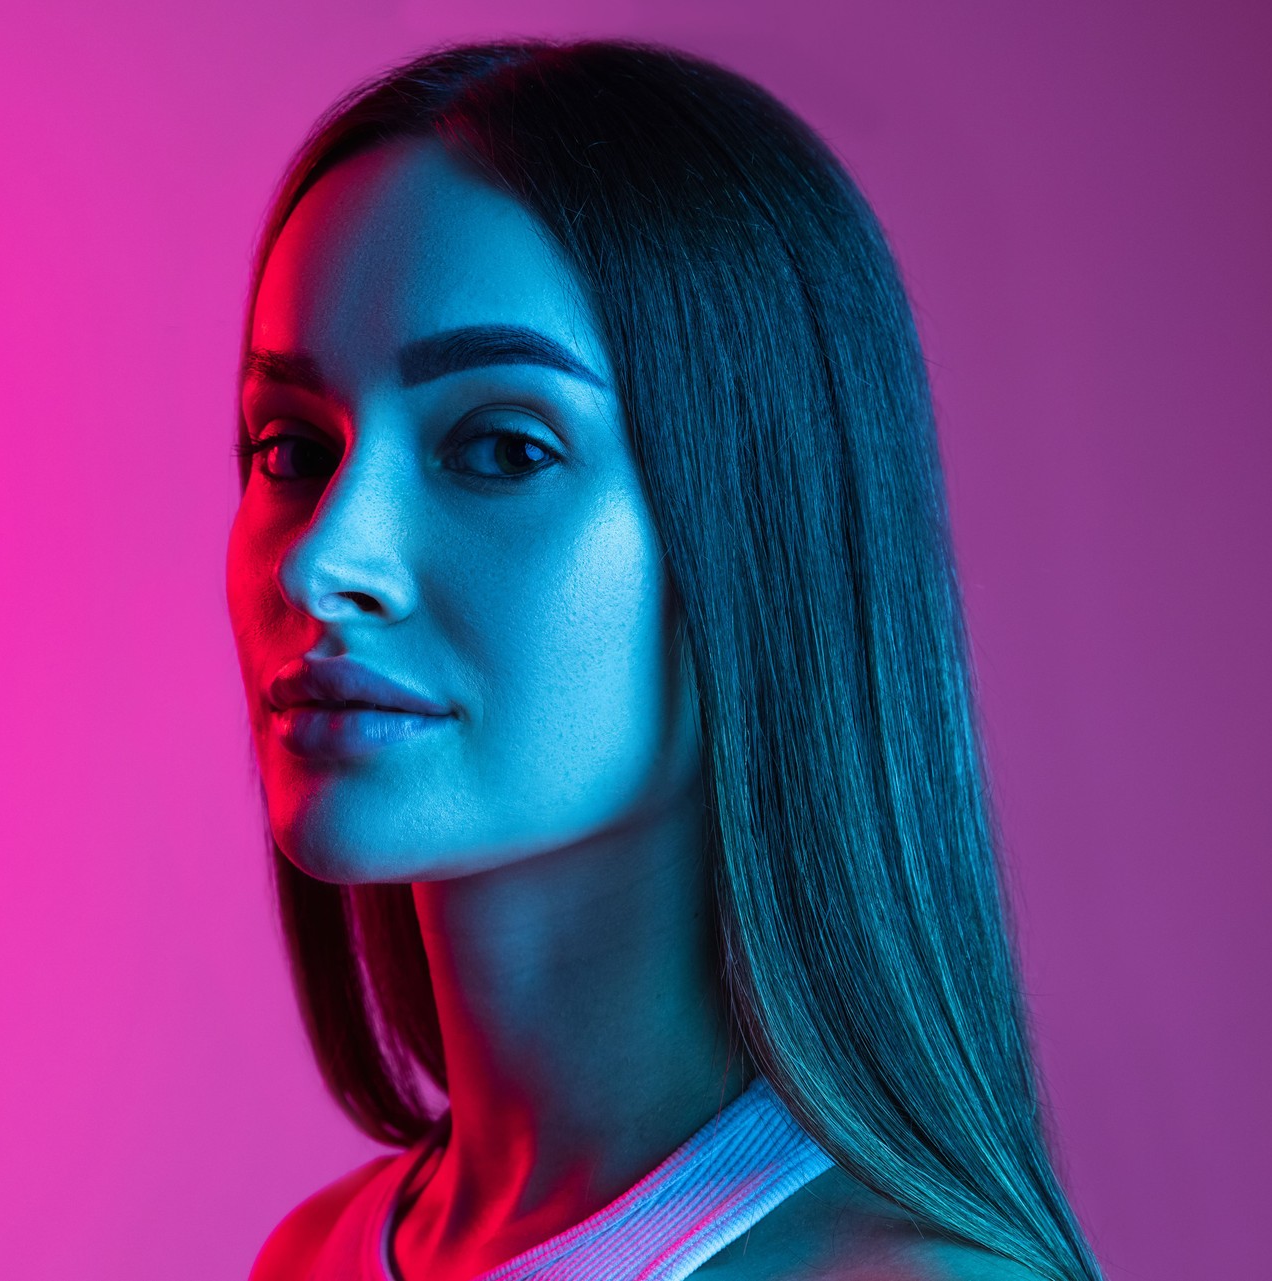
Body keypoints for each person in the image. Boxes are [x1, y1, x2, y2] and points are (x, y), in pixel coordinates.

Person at [226, 40, 1103, 1281]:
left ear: (756, 536)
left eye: (503, 448)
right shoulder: (315, 1256)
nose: (323, 563)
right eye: (291, 451)